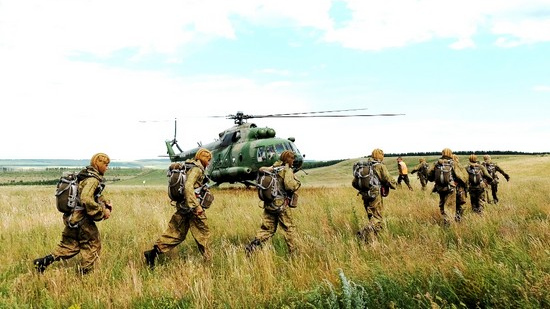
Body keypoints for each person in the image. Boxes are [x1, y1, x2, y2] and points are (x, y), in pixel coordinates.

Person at [33, 153, 113, 274]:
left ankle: (43, 262)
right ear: (97, 163)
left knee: (70, 245)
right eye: (105, 164)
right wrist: (102, 212)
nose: (107, 168)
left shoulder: (84, 175)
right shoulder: (92, 179)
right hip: (82, 220)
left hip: (72, 218)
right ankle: (84, 273)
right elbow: (86, 198)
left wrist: (105, 202)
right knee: (93, 245)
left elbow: (91, 195)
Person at [144, 148, 213, 269]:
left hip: (183, 207)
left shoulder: (190, 167)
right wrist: (196, 206)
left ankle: (152, 254)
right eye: (208, 159)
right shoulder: (196, 169)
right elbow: (188, 187)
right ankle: (209, 261)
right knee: (203, 233)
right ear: (203, 158)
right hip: (192, 209)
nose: (209, 162)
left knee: (175, 233)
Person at [245, 150, 301, 255]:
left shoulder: (272, 168)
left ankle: (252, 247)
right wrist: (297, 183)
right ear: (289, 159)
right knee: (289, 229)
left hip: (269, 204)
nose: (293, 161)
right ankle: (294, 253)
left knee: (267, 229)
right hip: (281, 205)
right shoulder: (286, 170)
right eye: (292, 159)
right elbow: (290, 185)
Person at [354, 148, 397, 242]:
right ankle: (362, 232)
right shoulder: (380, 166)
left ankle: (372, 240)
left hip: (365, 195)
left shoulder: (365, 167)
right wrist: (394, 185)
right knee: (378, 218)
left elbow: (354, 183)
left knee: (371, 216)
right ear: (380, 156)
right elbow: (388, 179)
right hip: (375, 195)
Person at [427, 148, 468, 225]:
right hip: (450, 188)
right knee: (449, 206)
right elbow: (462, 177)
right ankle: (449, 225)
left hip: (439, 188)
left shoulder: (436, 163)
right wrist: (464, 184)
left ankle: (445, 220)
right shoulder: (453, 163)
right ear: (450, 154)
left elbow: (429, 176)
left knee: (442, 204)